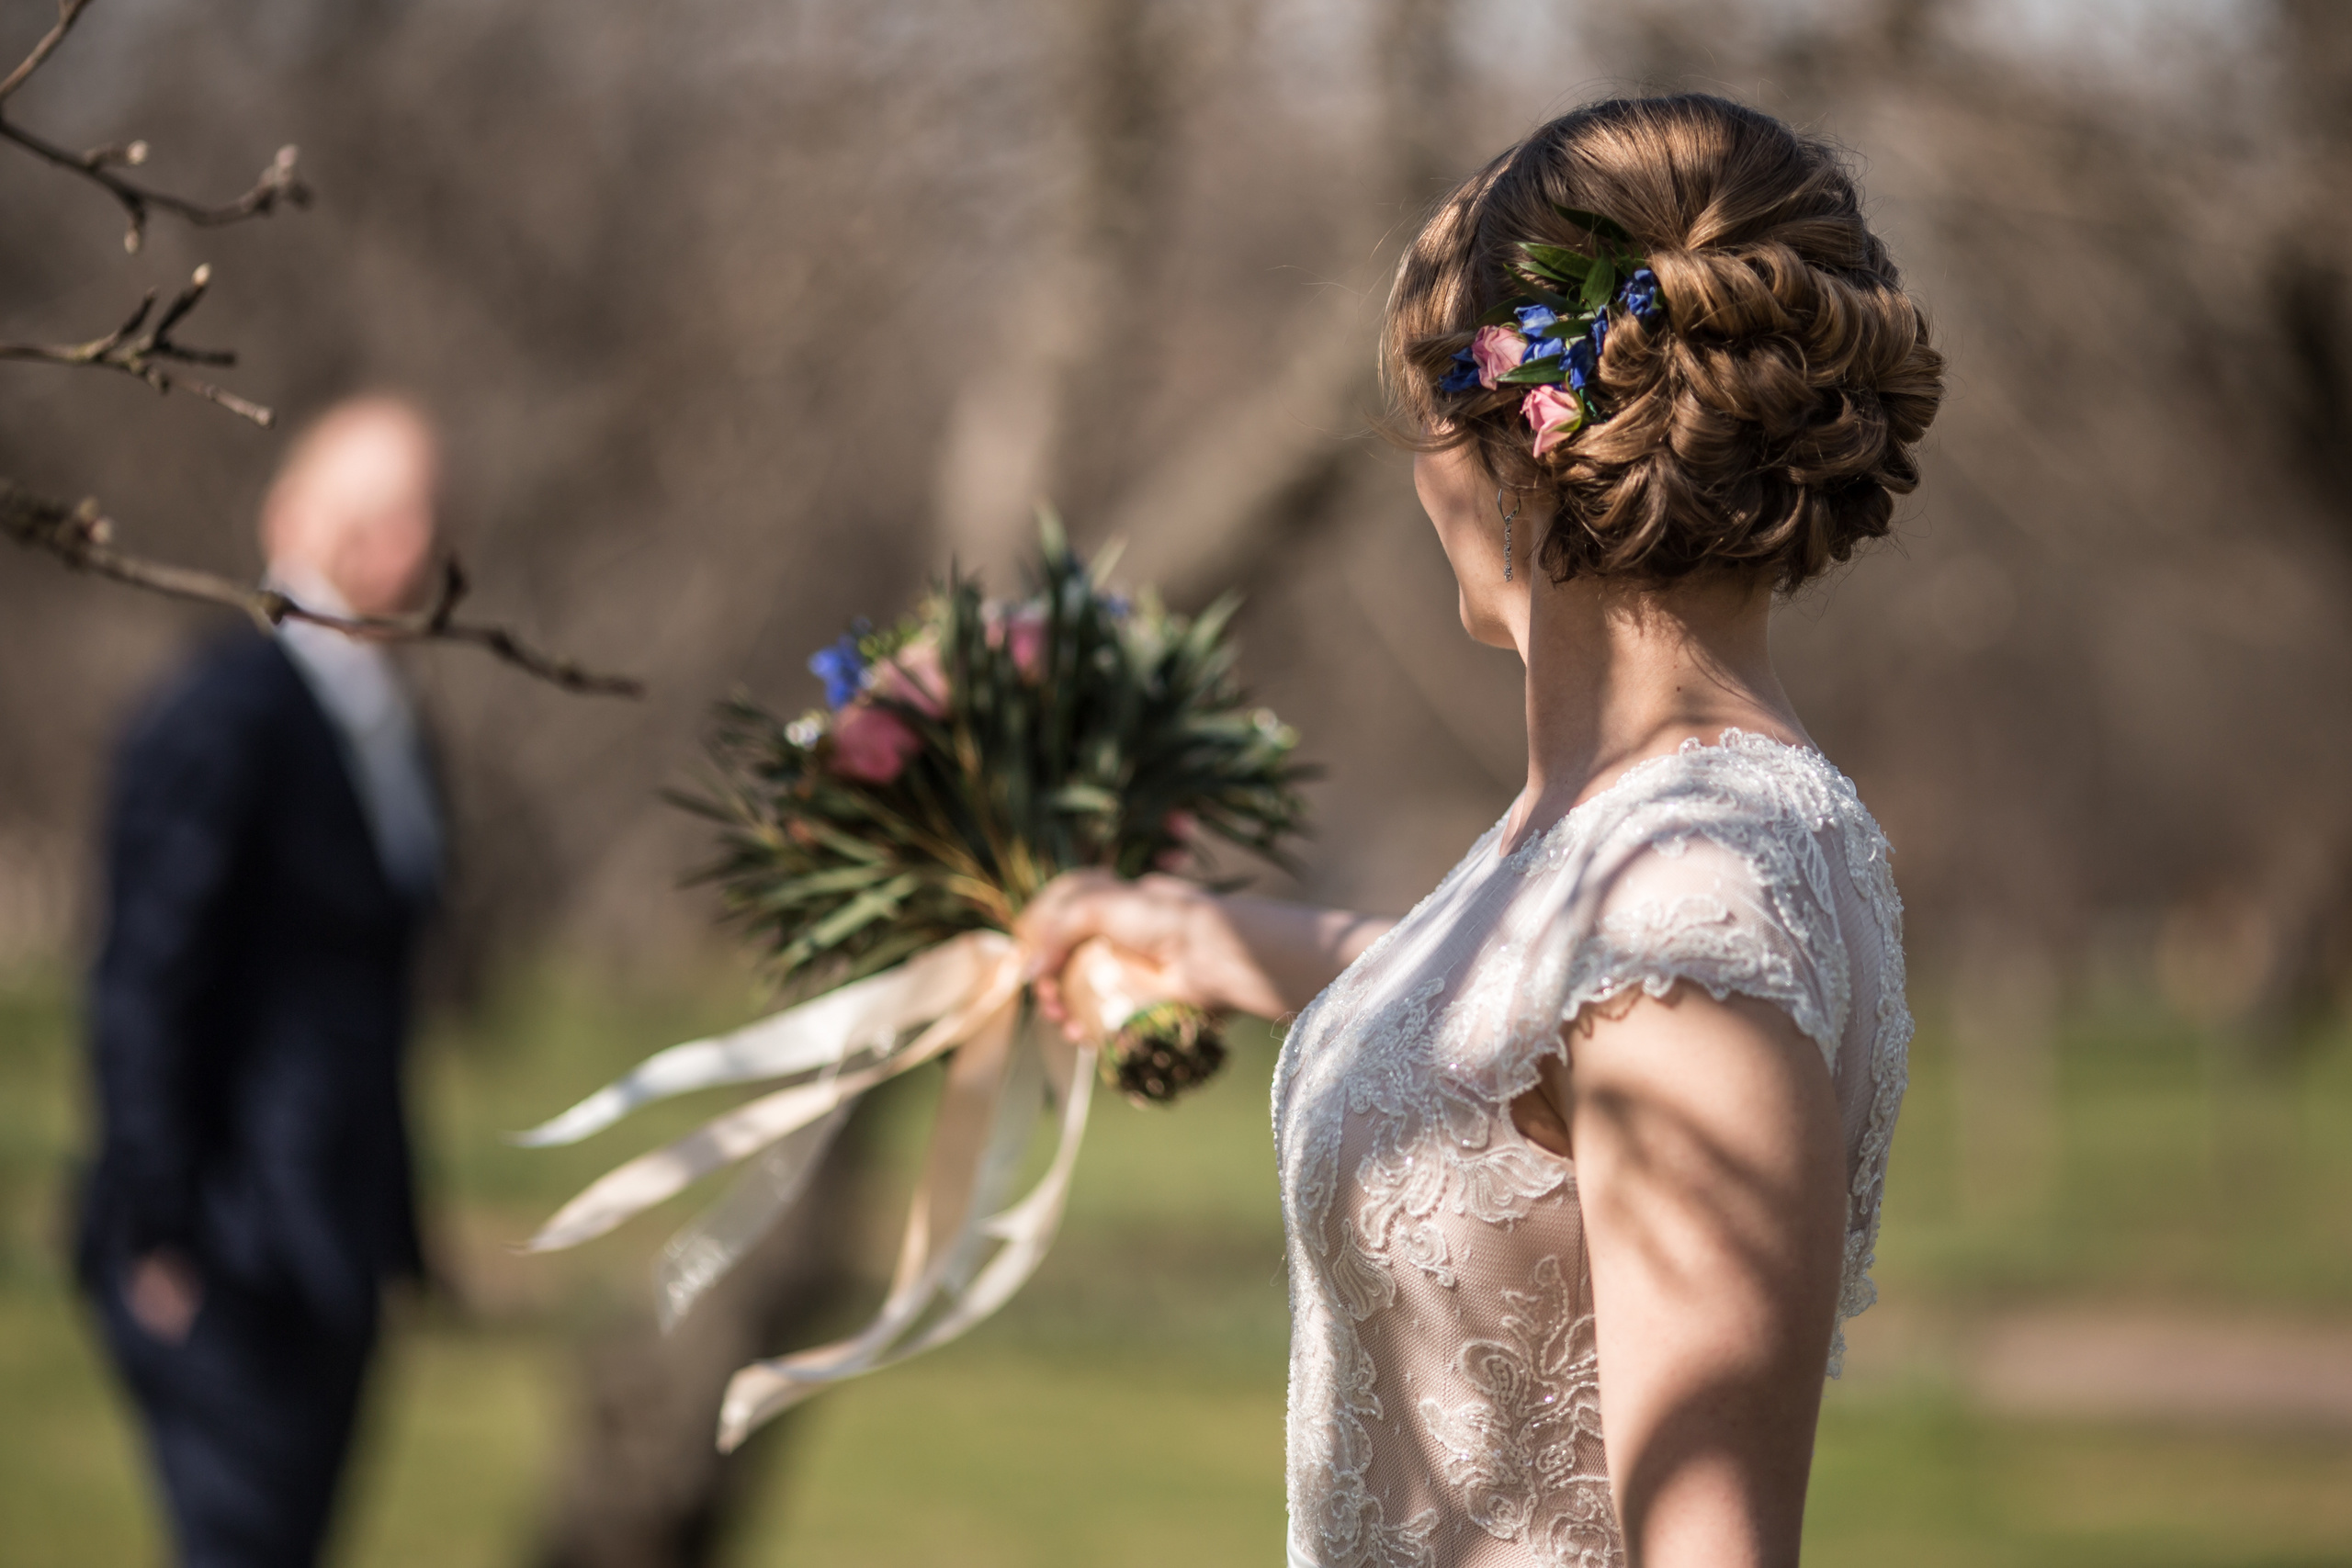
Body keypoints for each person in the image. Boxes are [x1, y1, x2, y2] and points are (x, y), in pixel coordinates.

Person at [1019, 96, 1942, 1568]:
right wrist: (1202, 938)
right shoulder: (1634, 841)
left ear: (1505, 441)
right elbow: (1524, 1045)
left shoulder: (1694, 891)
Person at [77, 397, 447, 1567]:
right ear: (291, 515)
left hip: (328, 1248)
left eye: (420, 513)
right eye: (371, 510)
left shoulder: (390, 731)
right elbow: (145, 975)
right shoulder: (226, 716)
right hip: (225, 1248)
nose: (402, 540)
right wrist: (162, 1230)